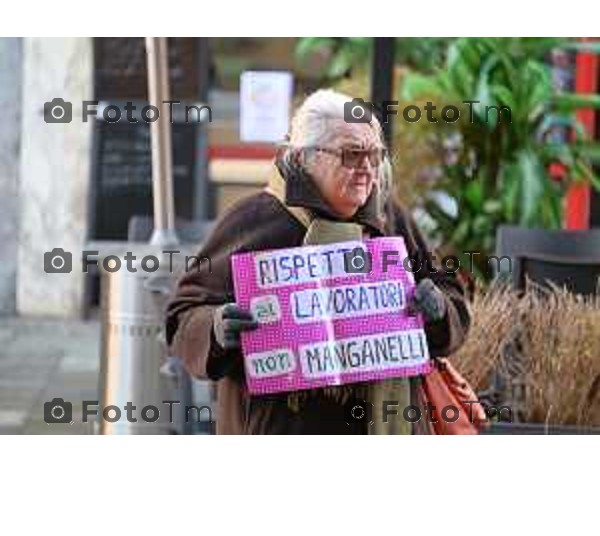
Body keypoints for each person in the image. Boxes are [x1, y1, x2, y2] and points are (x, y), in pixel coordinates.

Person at [165, 89, 470, 434]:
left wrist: (438, 309)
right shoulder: (253, 221)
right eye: (352, 155)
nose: (367, 169)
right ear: (306, 157)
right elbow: (183, 315)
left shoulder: (391, 219)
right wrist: (216, 327)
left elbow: (452, 300)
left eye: (375, 155)